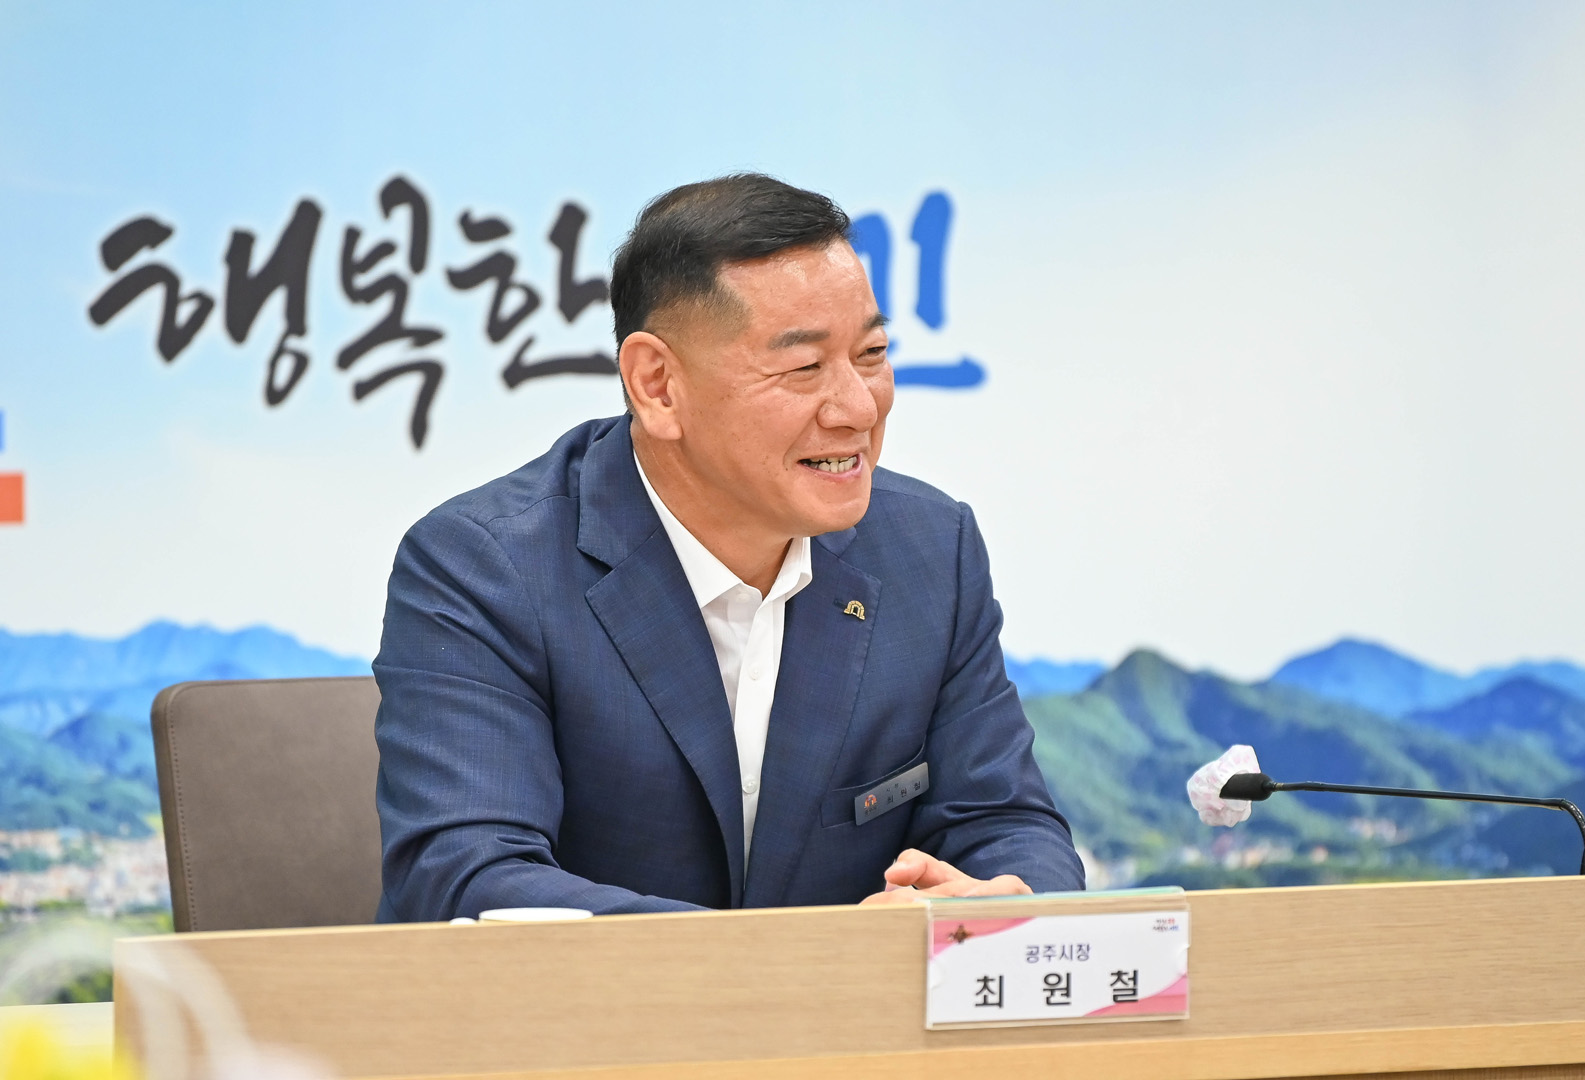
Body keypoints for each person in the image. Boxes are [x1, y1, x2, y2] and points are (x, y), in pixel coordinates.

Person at [373, 174, 1085, 920]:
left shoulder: (930, 549)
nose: (857, 406)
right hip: (600, 1004)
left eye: (872, 353)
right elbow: (470, 877)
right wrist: (810, 964)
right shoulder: (485, 567)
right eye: (804, 368)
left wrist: (1004, 903)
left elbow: (1005, 824)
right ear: (658, 385)